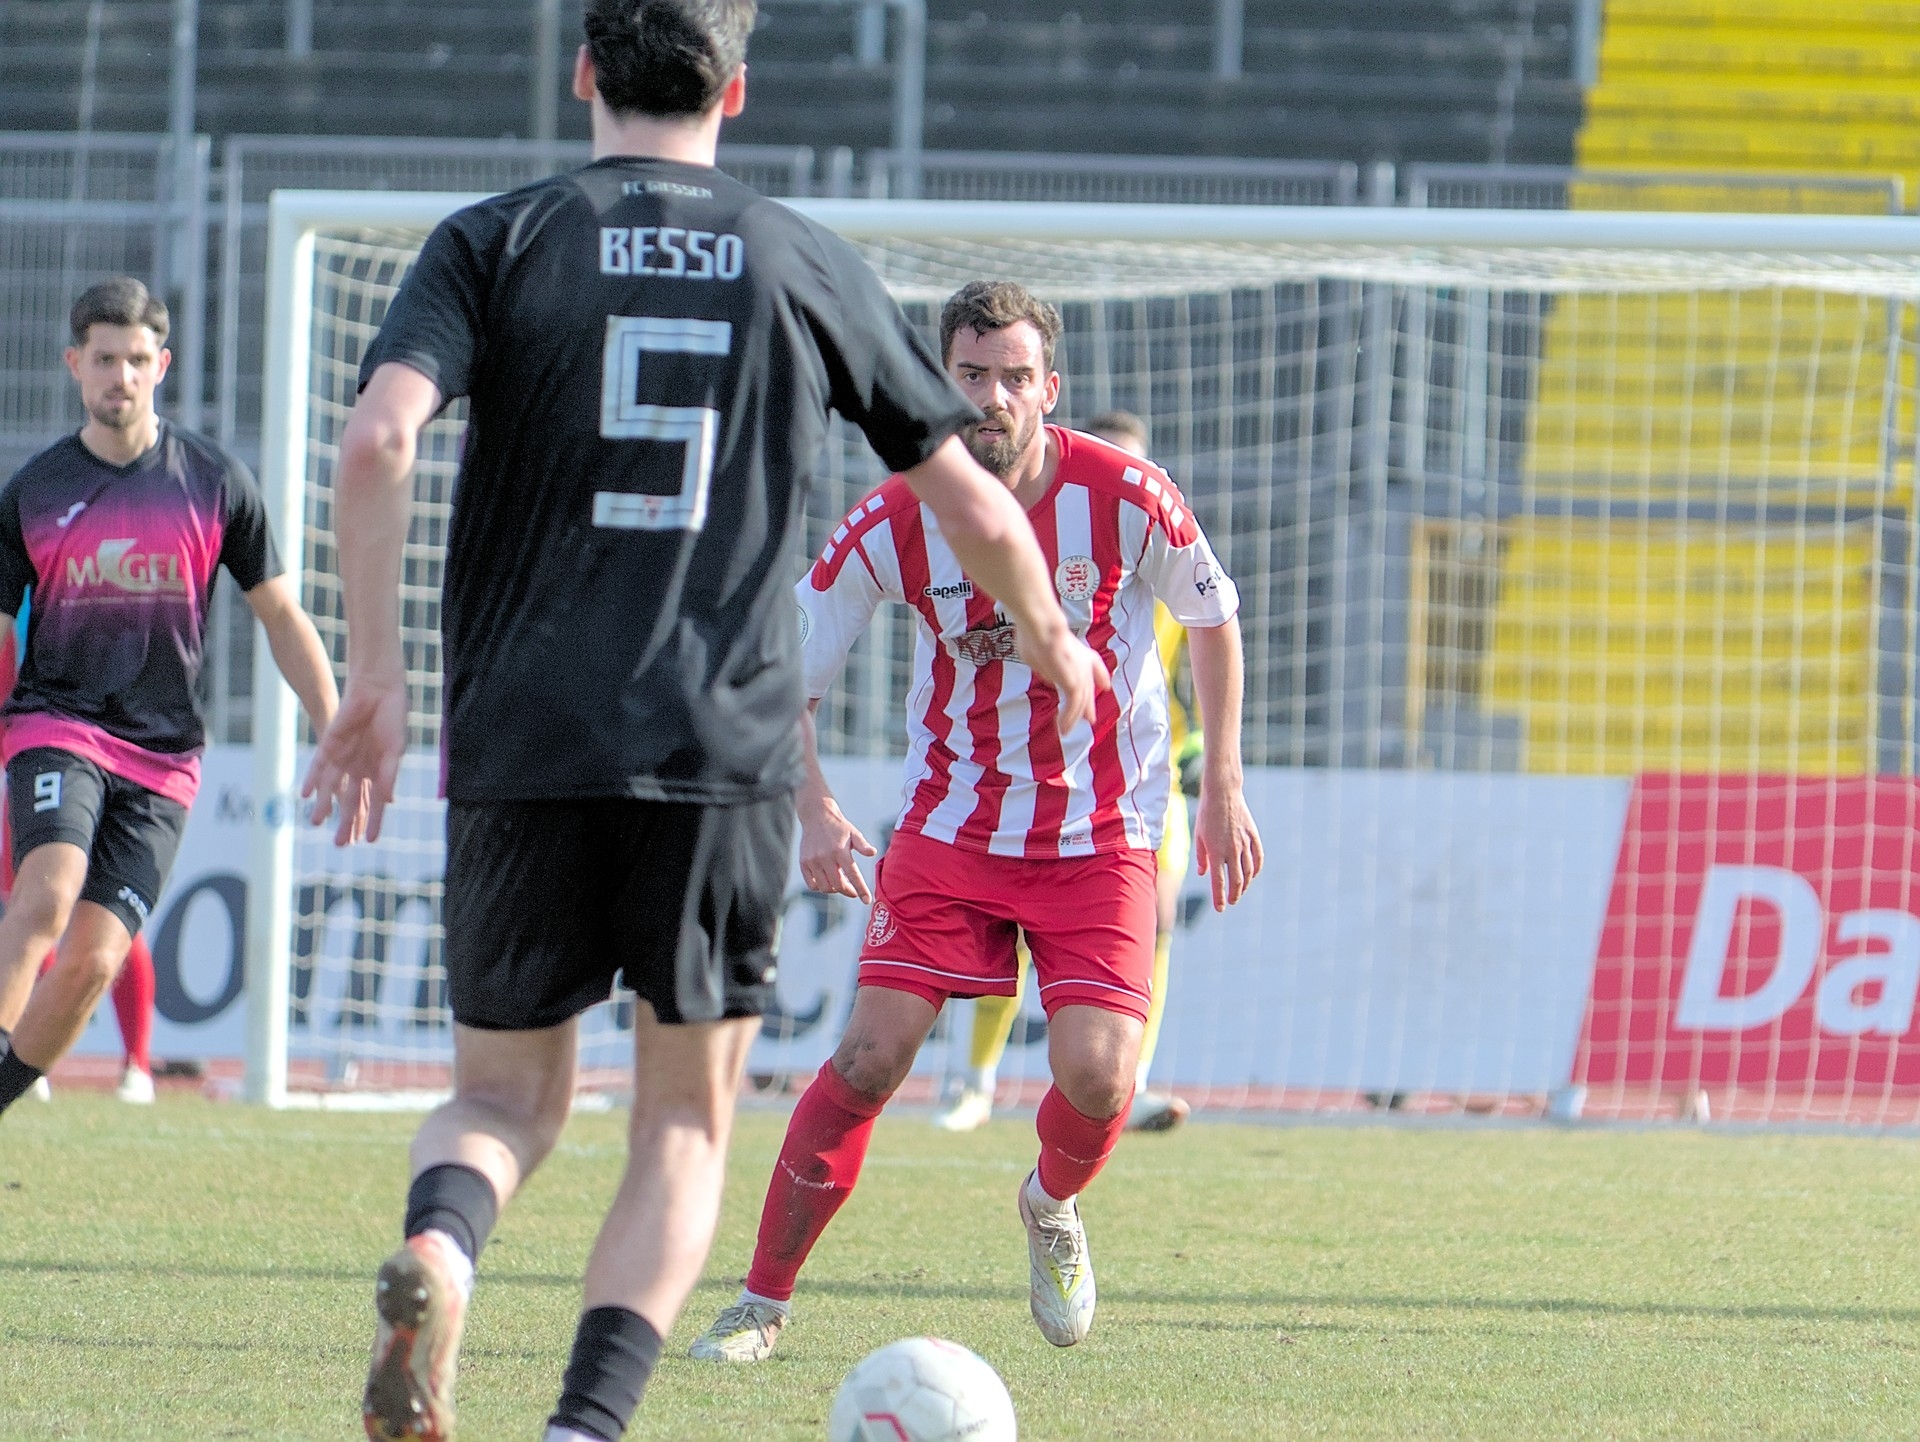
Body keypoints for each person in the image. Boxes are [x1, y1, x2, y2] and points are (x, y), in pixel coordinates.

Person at [299, 5, 1104, 1439]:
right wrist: (1050, 635)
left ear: (585, 73)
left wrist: (374, 673)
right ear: (737, 90)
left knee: (500, 1101)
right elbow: (974, 504)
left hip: (522, 736)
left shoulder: (494, 240)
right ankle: (582, 1424)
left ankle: (442, 1249)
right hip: (714, 750)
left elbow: (375, 439)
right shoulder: (795, 256)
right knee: (680, 1124)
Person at [689, 281, 1262, 1366]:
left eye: (1014, 377)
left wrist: (1224, 782)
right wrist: (812, 806)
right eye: (971, 375)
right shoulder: (898, 512)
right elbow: (782, 673)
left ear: (1051, 388)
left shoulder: (1126, 492)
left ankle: (1049, 1204)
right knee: (869, 1057)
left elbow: (1214, 616)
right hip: (952, 827)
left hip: (1101, 828)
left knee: (1101, 1077)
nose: (993, 397)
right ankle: (760, 1304)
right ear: (939, 381)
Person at [0, 276, 338, 1120]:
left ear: (163, 366)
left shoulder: (216, 481)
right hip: (57, 724)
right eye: (103, 358)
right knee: (48, 890)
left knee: (94, 962)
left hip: (163, 759)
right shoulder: (33, 490)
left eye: (135, 359)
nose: (119, 375)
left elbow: (281, 615)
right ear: (74, 364)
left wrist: (337, 727)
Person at [932, 407, 1197, 1134]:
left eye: (1137, 464)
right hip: (1033, 769)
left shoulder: (1167, 554)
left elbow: (1193, 664)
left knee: (1156, 919)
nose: (1125, 478)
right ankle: (972, 1082)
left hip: (1143, 777)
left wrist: (1206, 751)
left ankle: (1131, 1081)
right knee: (1011, 927)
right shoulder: (1032, 548)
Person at [0, 598, 160, 1105]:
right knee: (34, 900)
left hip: (110, 749)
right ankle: (26, 1059)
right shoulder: (24, 567)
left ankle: (136, 1063)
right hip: (40, 745)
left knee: (106, 908)